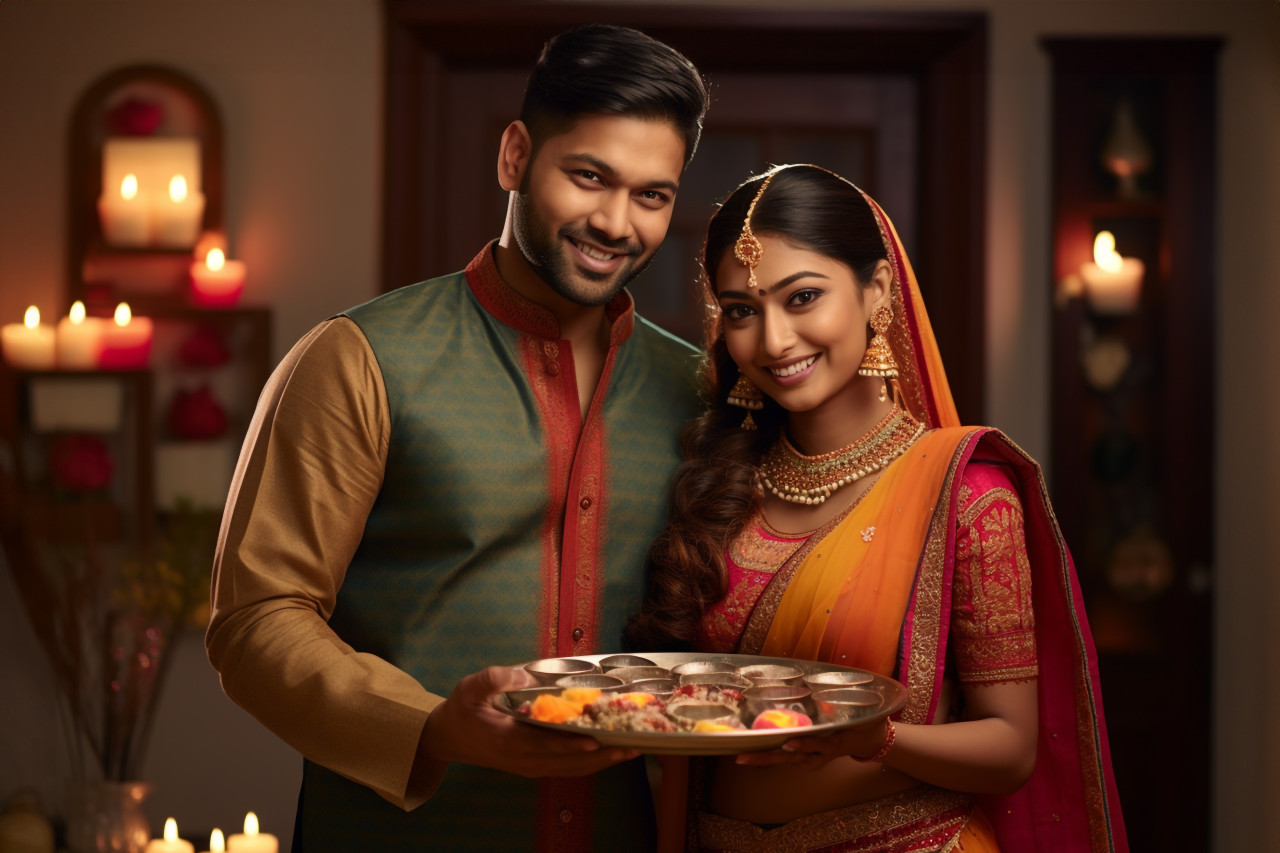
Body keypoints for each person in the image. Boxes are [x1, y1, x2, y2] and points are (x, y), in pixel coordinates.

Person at [205, 24, 710, 852]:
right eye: (588, 176)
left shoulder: (695, 391)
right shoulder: (361, 358)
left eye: (652, 195)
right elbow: (255, 620)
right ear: (515, 157)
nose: (616, 222)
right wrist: (434, 727)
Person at [626, 164, 1128, 852]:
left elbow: (1011, 747)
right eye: (742, 310)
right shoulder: (721, 486)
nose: (773, 341)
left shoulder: (968, 496)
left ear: (878, 291)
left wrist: (876, 738)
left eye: (803, 297)